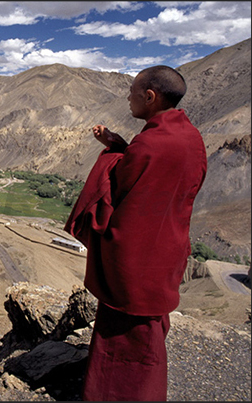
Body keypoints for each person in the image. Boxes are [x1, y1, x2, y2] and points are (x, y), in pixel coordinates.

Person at [64, 65, 207, 401]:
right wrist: (119, 143)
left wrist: (111, 153)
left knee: (125, 340)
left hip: (134, 261)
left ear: (150, 97)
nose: (128, 99)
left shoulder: (149, 145)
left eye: (132, 93)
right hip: (166, 251)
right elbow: (156, 181)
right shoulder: (192, 138)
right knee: (150, 330)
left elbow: (118, 189)